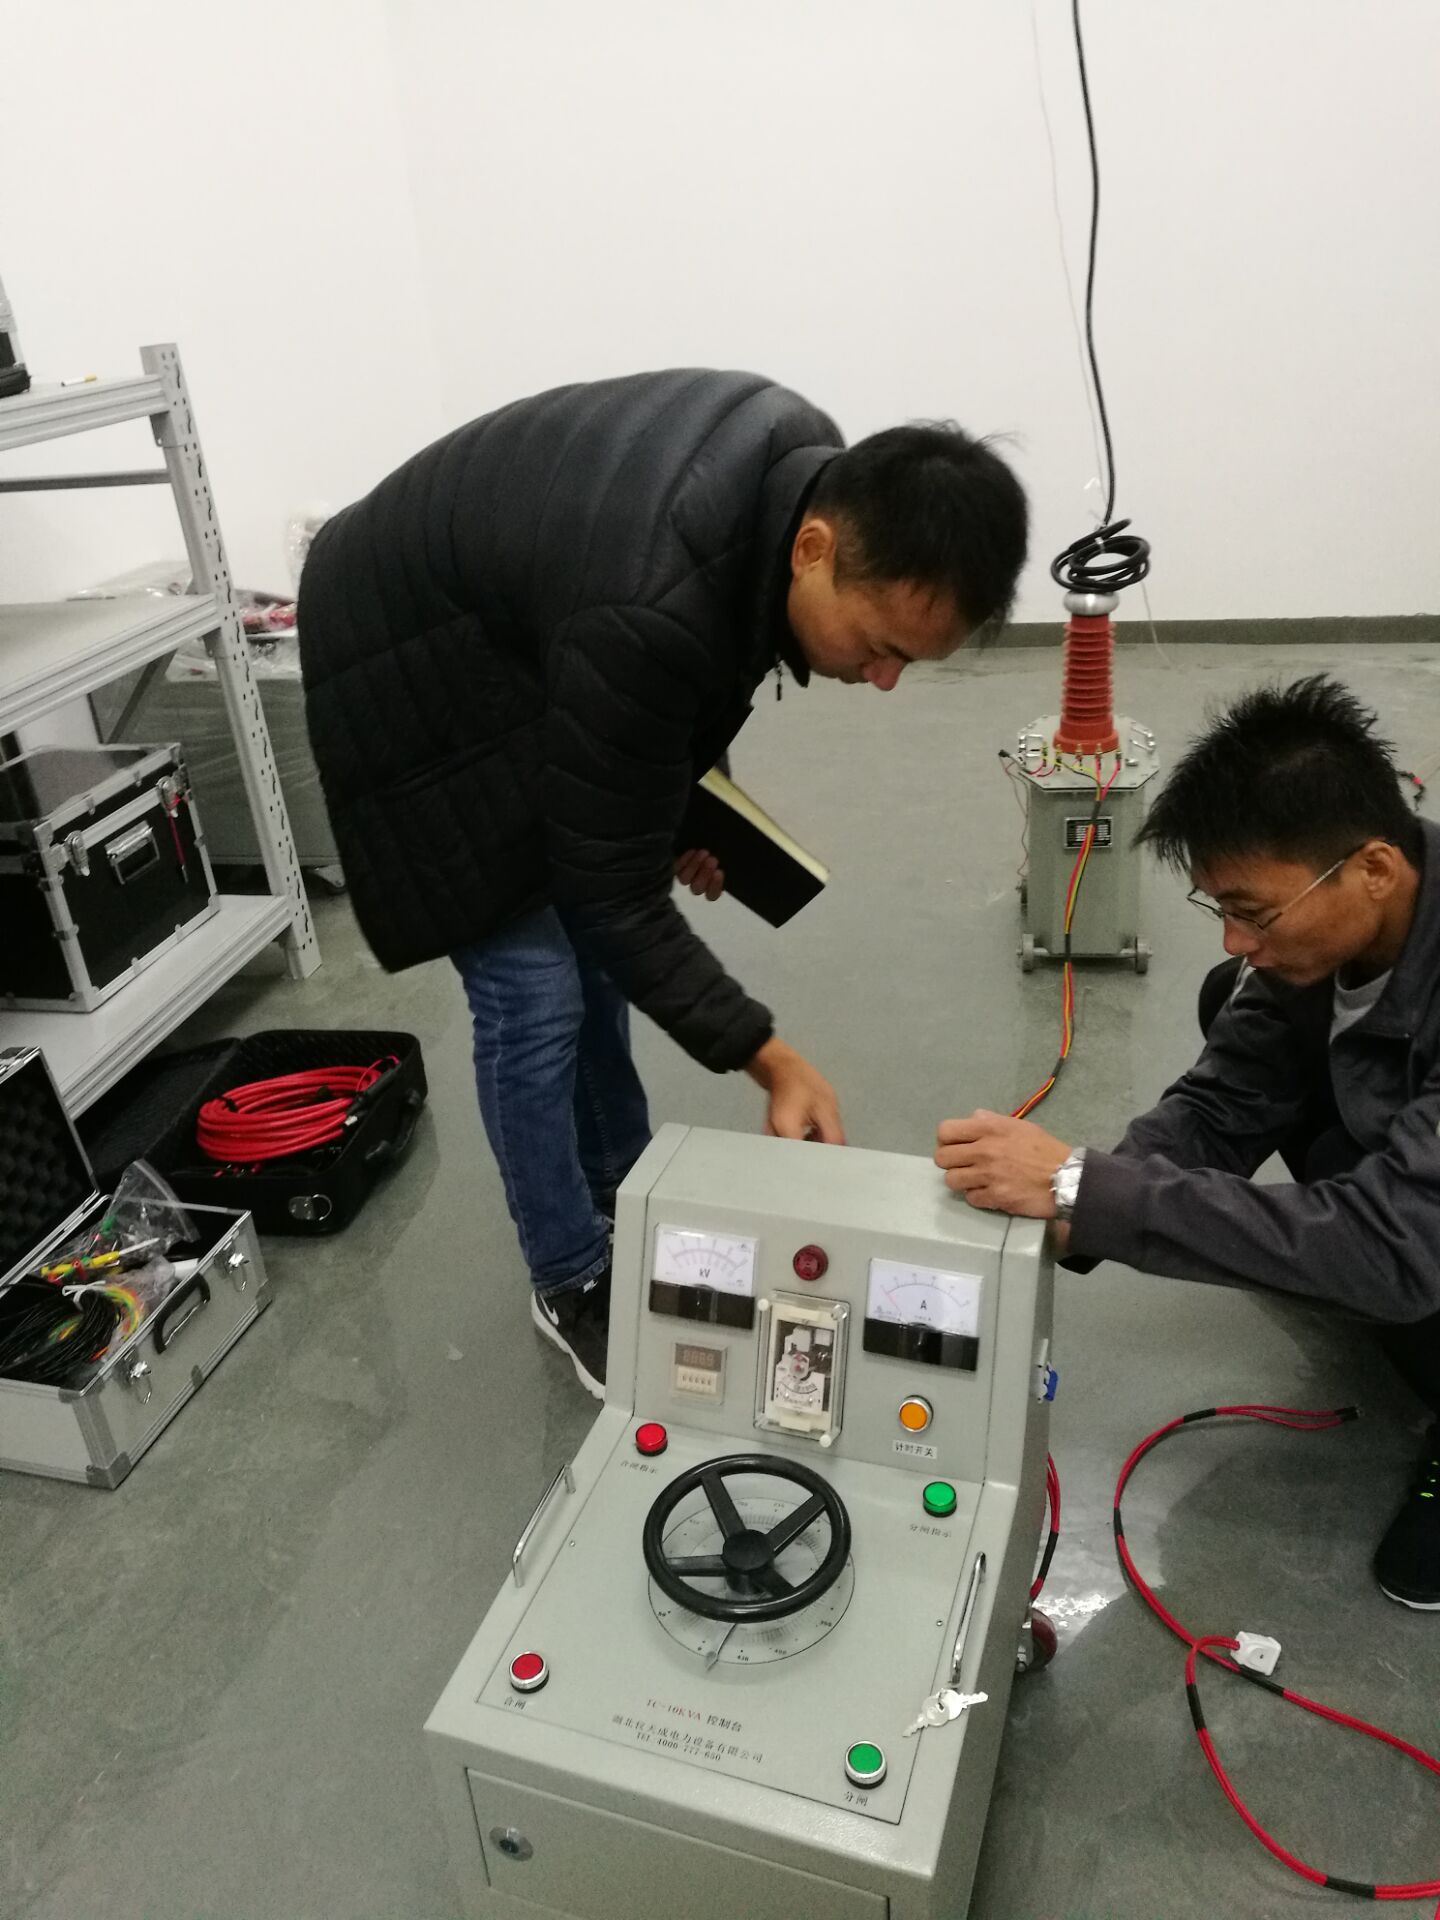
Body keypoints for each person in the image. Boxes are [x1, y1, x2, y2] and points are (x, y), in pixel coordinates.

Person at [300, 369, 1028, 1397]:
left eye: (908, 661)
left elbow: (694, 666)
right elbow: (608, 883)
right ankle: (569, 1276)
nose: (883, 680)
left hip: (528, 621)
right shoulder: (650, 591)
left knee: (599, 954)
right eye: (878, 648)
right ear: (814, 549)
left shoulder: (800, 481)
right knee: (536, 987)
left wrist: (679, 800)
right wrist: (769, 1058)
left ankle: (624, 1197)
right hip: (409, 652)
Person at [934, 675, 1440, 1610]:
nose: (1237, 939)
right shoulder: (1335, 929)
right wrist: (1071, 1214)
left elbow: (1398, 1249)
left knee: (1388, 1258)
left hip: (1415, 1239)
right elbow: (1220, 1105)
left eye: (1257, 911)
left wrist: (1086, 1189)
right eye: (1221, 911)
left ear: (1373, 868)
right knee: (1236, 1008)